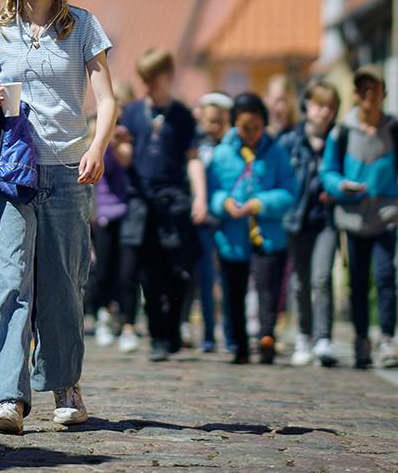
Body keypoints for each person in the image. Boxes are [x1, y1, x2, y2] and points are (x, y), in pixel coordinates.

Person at [0, 0, 116, 434]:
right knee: (11, 281)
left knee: (63, 285)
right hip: (14, 172)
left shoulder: (83, 27)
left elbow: (108, 99)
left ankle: (65, 385)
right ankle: (6, 398)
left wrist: (98, 147)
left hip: (70, 168)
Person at [114, 48, 207, 362]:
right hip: (142, 204)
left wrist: (201, 198)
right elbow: (128, 158)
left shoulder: (182, 116)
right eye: (143, 80)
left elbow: (193, 160)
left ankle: (173, 328)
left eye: (151, 79)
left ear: (167, 76)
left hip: (173, 203)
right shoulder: (134, 113)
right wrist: (116, 144)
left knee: (177, 270)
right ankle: (158, 336)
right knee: (148, 274)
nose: (146, 86)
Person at [321, 65, 398, 369]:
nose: (368, 95)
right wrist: (340, 185)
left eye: (374, 89)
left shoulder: (394, 130)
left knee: (385, 277)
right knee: (357, 281)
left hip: (386, 214)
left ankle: (386, 340)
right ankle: (360, 340)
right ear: (356, 95)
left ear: (384, 93)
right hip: (353, 216)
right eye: (362, 89)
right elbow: (327, 171)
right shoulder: (342, 131)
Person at [208, 92, 297, 364]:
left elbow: (289, 192)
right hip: (233, 237)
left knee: (267, 288)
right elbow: (212, 192)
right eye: (245, 128)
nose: (251, 134)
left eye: (257, 128)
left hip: (267, 235)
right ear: (235, 124)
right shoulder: (221, 154)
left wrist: (260, 203)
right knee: (234, 292)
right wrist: (225, 203)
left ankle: (267, 336)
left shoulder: (277, 152)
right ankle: (239, 345)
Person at [279, 79, 340, 367]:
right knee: (300, 282)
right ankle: (304, 335)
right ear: (307, 106)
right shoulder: (291, 140)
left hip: (326, 220)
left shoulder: (339, 141)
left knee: (321, 278)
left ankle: (323, 337)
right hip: (296, 219)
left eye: (330, 106)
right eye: (319, 105)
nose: (324, 112)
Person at [182, 91, 233, 353]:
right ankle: (199, 331)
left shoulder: (228, 148)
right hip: (199, 219)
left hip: (222, 219)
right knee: (199, 278)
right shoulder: (194, 145)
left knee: (217, 280)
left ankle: (220, 333)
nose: (214, 127)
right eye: (209, 120)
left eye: (219, 121)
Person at [89, 80, 135, 348]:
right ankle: (104, 315)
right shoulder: (95, 131)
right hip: (103, 212)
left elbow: (129, 161)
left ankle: (125, 321)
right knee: (103, 269)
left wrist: (118, 143)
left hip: (126, 210)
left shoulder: (128, 135)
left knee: (127, 271)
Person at [264, 74, 297, 140]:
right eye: (276, 100)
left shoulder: (298, 136)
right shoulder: (257, 136)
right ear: (266, 99)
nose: (280, 107)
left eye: (284, 100)